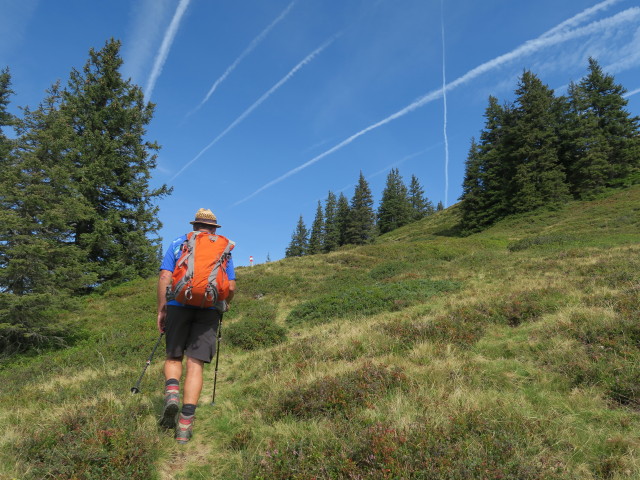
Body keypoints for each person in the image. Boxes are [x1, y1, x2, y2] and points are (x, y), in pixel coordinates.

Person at [156, 208, 236, 443]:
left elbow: (164, 277)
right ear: (213, 229)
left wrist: (162, 309)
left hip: (177, 305)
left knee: (173, 357)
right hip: (208, 310)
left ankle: (172, 394)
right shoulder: (223, 248)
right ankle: (184, 425)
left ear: (194, 226)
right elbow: (230, 287)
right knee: (195, 364)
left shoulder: (178, 243)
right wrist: (224, 305)